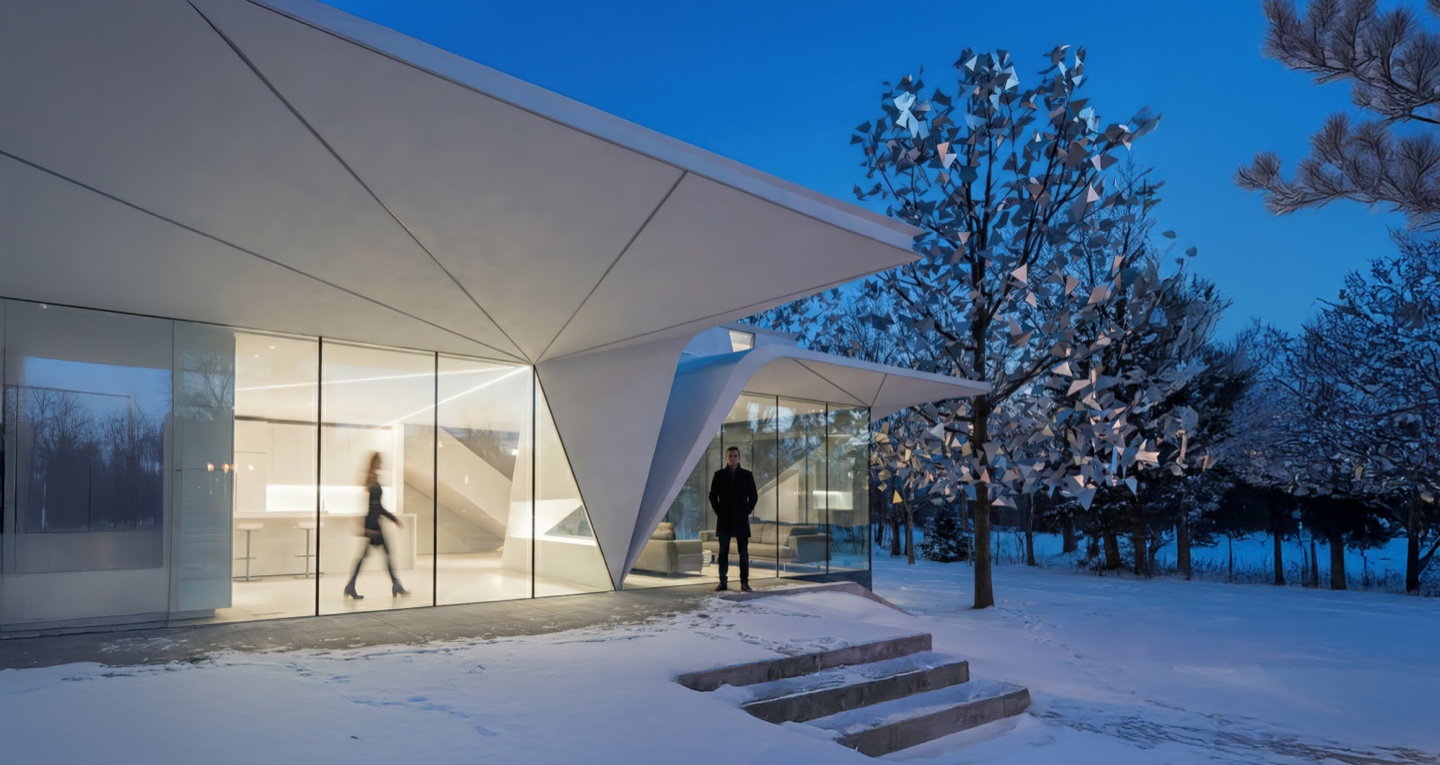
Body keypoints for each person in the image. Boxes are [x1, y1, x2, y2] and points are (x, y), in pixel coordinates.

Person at [343, 452, 408, 599]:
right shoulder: (372, 480)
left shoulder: (372, 479)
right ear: (374, 462)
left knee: (371, 555)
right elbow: (374, 507)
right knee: (383, 555)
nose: (381, 464)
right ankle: (395, 584)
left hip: (374, 524)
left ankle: (351, 585)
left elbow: (376, 506)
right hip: (374, 525)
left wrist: (392, 518)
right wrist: (372, 528)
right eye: (380, 461)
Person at [708, 445, 757, 591]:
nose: (733, 458)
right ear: (726, 458)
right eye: (730, 456)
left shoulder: (747, 475)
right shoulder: (719, 475)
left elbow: (753, 496)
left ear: (739, 457)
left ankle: (744, 582)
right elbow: (712, 495)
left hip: (741, 519)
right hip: (724, 519)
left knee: (744, 552)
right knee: (723, 551)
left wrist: (747, 510)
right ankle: (723, 581)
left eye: (735, 456)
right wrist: (718, 510)